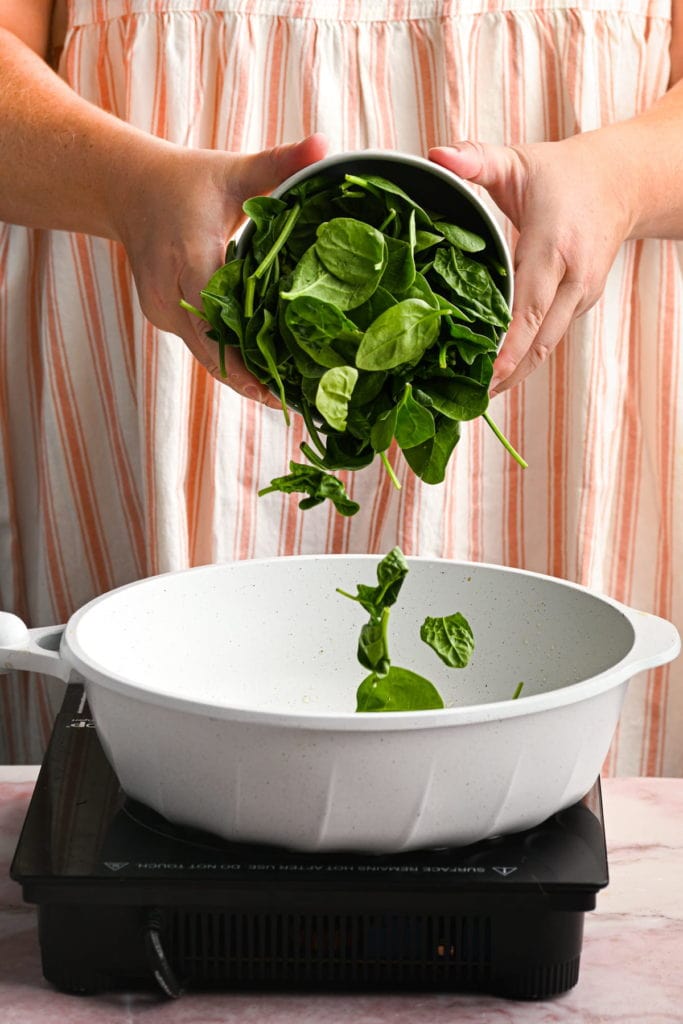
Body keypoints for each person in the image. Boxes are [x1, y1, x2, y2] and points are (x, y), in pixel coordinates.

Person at [0, 0, 681, 772]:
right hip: (151, 316)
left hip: (562, 338)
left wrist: (622, 180)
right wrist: (124, 184)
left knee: (538, 739)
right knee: (156, 755)